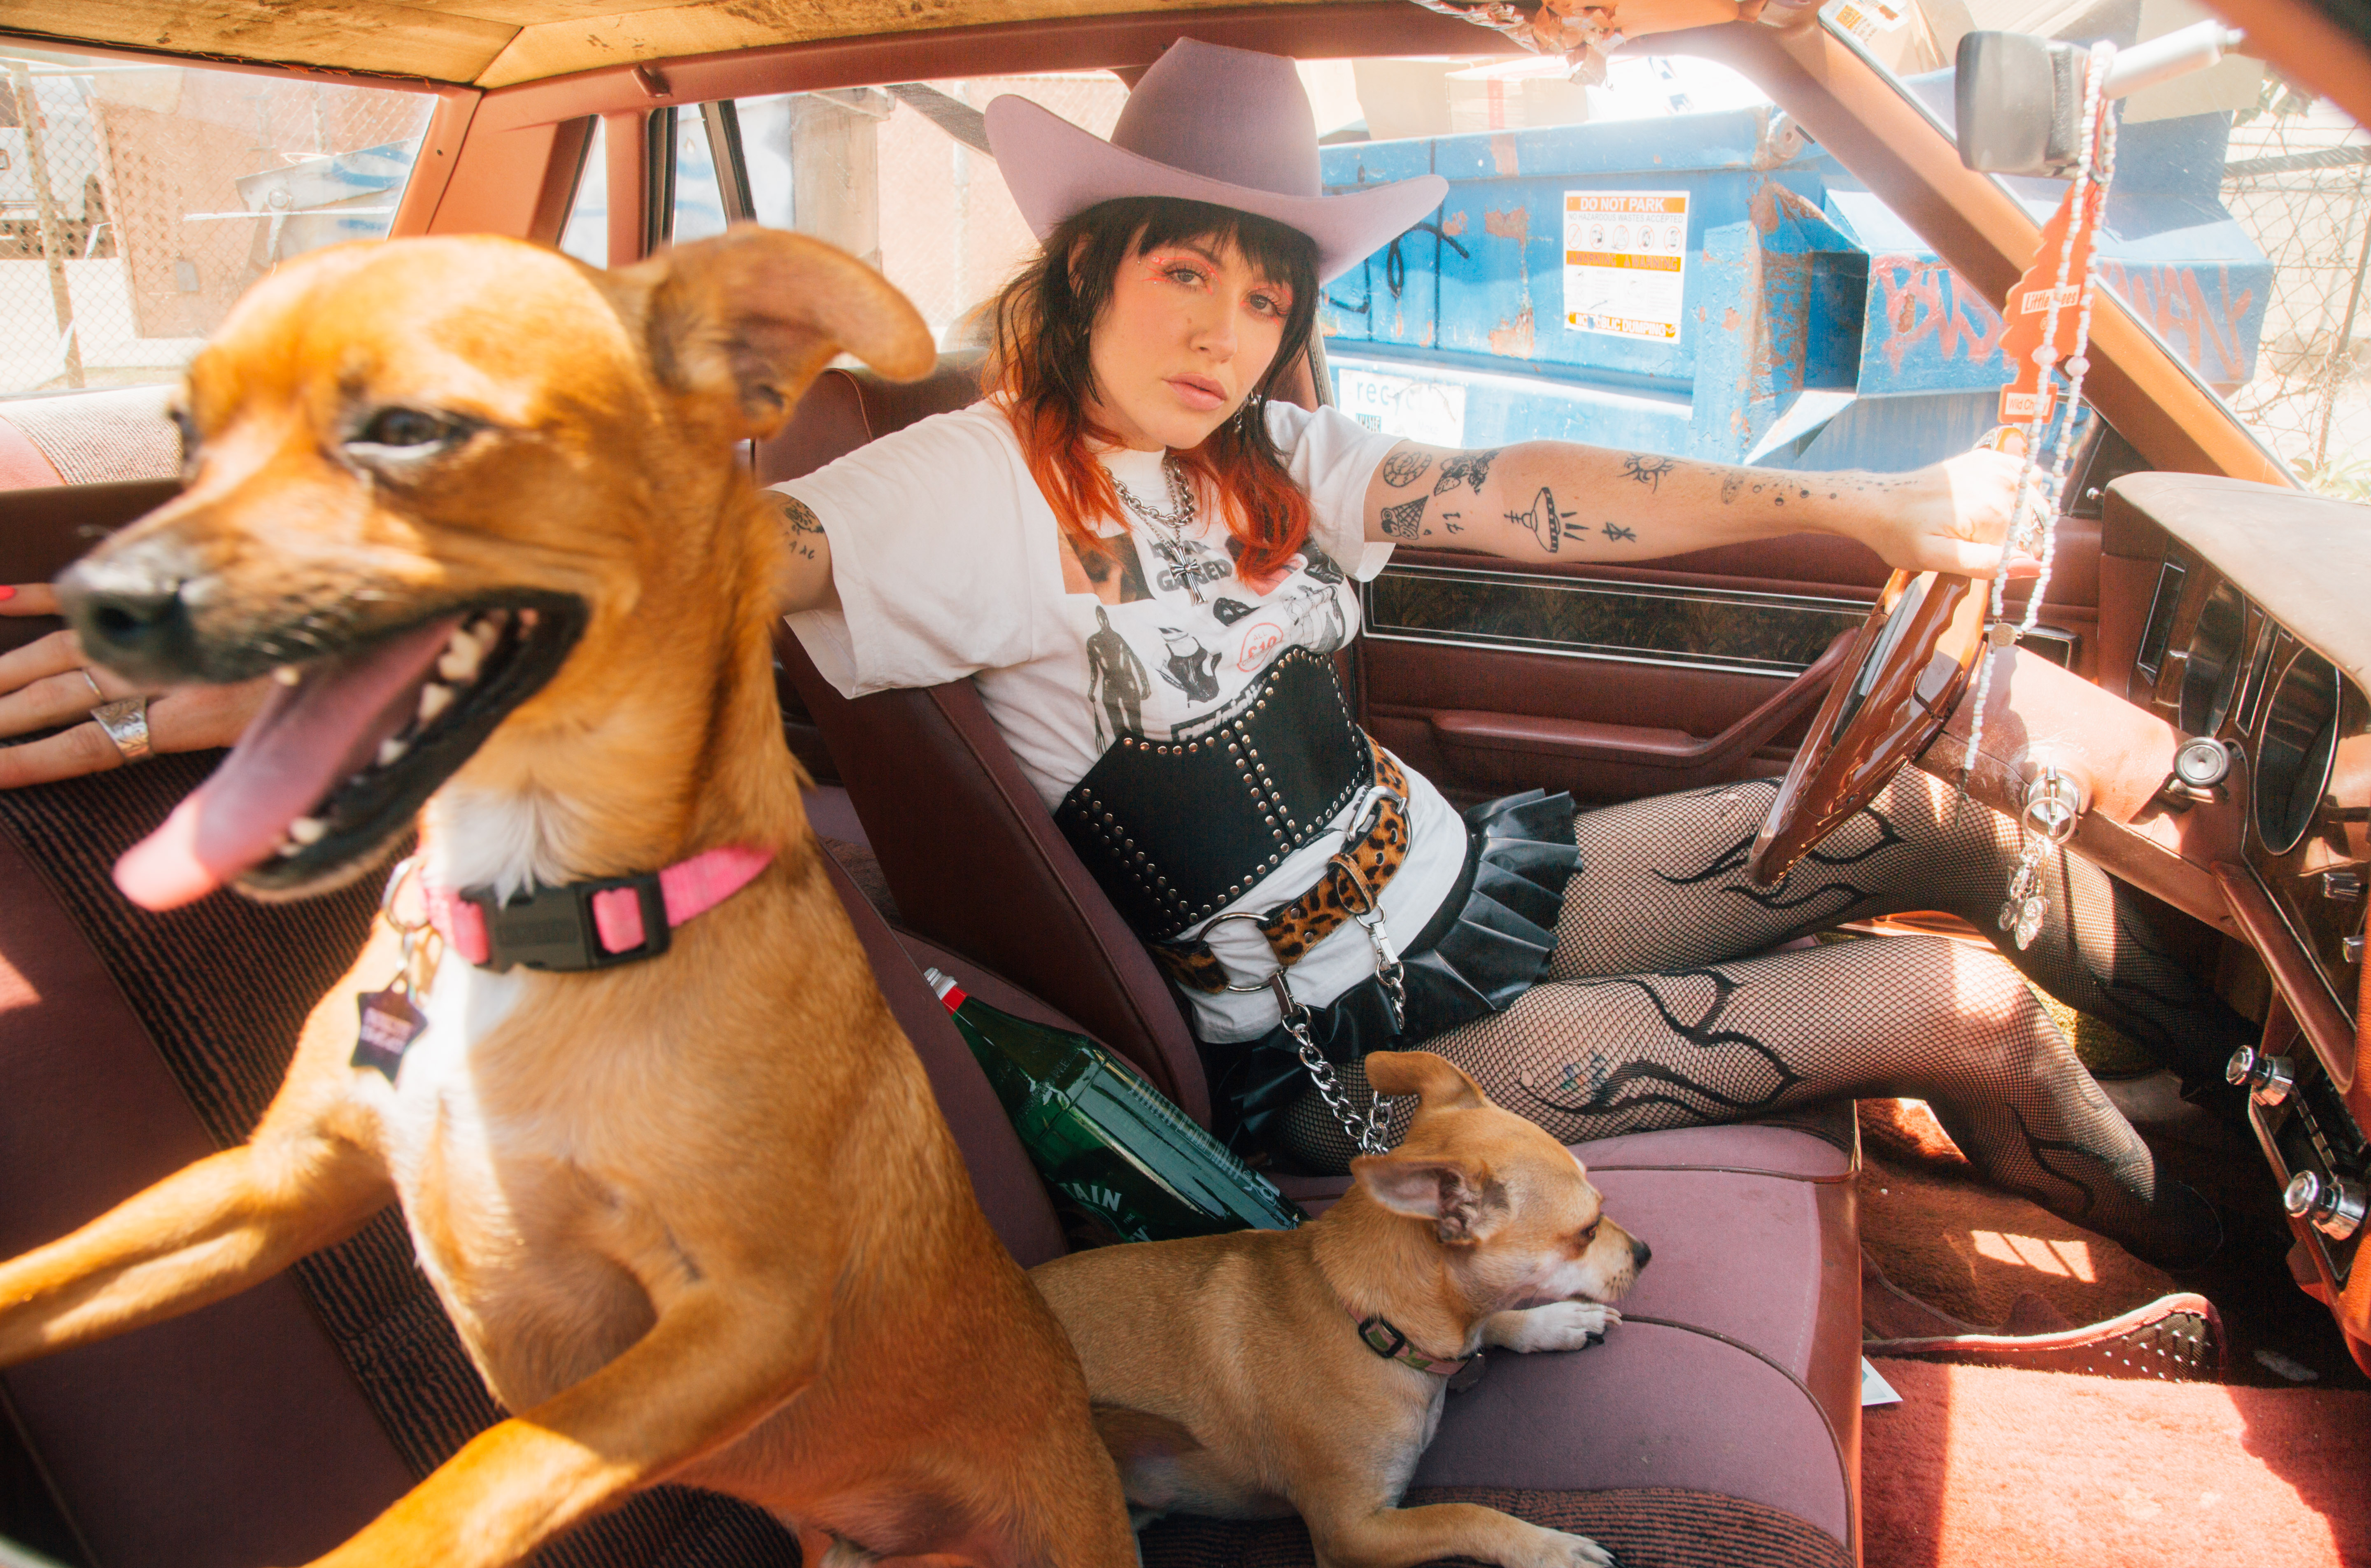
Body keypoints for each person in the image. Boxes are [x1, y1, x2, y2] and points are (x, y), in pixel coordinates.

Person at [0, 41, 2236, 1263]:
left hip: (1463, 890)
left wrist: (1876, 513)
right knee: (1956, 994)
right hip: (1333, 1062)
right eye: (1183, 277)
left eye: (1264, 294)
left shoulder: (1270, 461)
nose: (1228, 330)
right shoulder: (953, 493)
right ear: (1079, 271)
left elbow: (1574, 483)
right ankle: (2217, 1256)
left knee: (1933, 814)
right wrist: (244, 669)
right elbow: (635, 565)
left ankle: (2170, 1111)